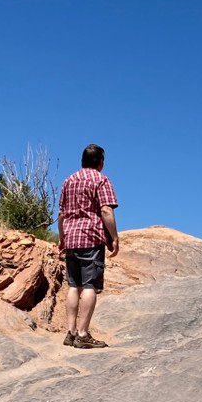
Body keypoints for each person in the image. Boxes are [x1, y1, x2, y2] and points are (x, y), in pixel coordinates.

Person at [57, 144, 119, 349]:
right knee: (90, 285)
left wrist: (62, 238)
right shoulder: (101, 180)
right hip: (91, 238)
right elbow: (106, 211)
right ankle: (83, 334)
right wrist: (114, 237)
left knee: (74, 286)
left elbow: (61, 215)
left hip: (72, 239)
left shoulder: (69, 181)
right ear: (100, 162)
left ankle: (71, 332)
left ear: (82, 161)